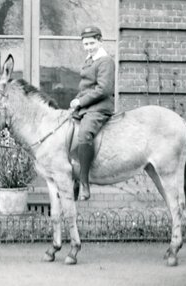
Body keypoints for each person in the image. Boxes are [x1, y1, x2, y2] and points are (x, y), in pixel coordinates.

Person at [70, 26, 115, 201]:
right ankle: (72, 175)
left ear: (100, 41)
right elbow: (85, 87)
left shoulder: (105, 61)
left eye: (91, 43)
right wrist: (76, 102)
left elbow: (103, 90)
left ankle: (84, 181)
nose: (88, 47)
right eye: (85, 44)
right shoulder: (89, 60)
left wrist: (80, 102)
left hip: (100, 107)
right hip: (86, 106)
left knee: (84, 134)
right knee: (66, 130)